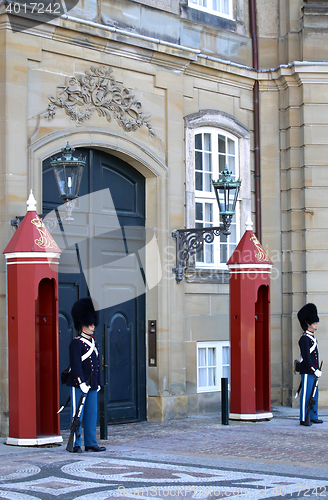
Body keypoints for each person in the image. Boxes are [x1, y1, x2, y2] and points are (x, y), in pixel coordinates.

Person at [66, 297, 106, 452]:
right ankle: (75, 444)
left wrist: (98, 382)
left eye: (93, 323)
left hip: (92, 385)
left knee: (91, 415)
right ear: (82, 324)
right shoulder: (76, 343)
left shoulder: (94, 342)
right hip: (79, 384)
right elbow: (76, 365)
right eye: (90, 323)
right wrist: (80, 382)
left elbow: (96, 365)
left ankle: (90, 442)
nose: (93, 326)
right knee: (78, 415)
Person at [297, 303, 323, 426]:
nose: (315, 325)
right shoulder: (304, 339)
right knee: (306, 394)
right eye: (313, 324)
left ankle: (313, 415)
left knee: (314, 394)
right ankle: (303, 418)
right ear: (308, 325)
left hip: (313, 371)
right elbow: (306, 357)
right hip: (307, 370)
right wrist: (313, 369)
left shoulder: (312, 338)